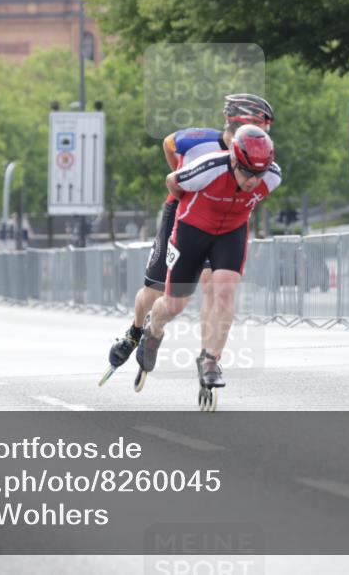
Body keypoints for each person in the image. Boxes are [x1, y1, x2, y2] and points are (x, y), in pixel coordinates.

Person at [100, 93, 275, 386]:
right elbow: (169, 144)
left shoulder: (256, 154)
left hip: (217, 222)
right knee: (155, 289)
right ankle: (134, 331)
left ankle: (209, 357)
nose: (264, 133)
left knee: (214, 286)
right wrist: (180, 175)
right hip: (180, 214)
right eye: (259, 124)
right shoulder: (199, 139)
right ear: (237, 121)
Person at [135, 126, 281, 409]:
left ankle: (211, 359)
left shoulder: (272, 176)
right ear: (235, 161)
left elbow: (255, 189)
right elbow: (172, 181)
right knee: (175, 304)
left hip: (231, 232)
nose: (253, 181)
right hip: (192, 230)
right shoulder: (208, 168)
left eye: (259, 174)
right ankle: (154, 328)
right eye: (247, 172)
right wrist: (191, 207)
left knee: (224, 291)